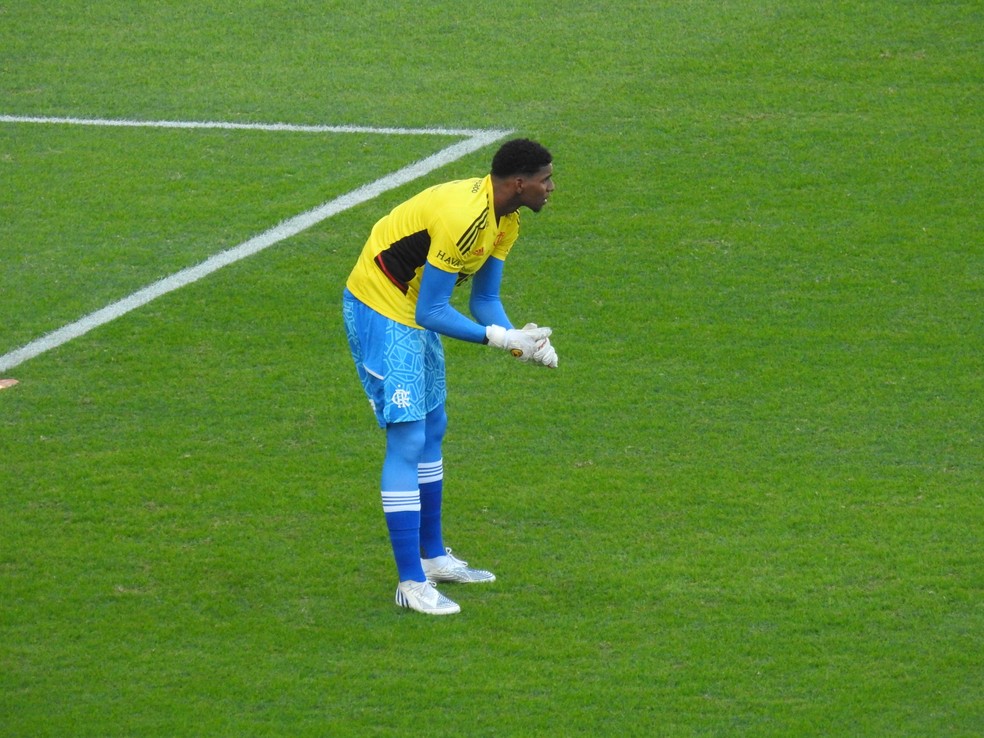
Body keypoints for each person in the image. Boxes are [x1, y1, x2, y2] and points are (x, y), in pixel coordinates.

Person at [342, 138, 558, 615]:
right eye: (545, 180)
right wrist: (496, 340)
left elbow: (483, 303)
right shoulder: (466, 218)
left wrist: (524, 342)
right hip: (381, 308)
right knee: (407, 438)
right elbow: (434, 309)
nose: (551, 188)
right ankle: (410, 582)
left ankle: (433, 557)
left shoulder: (506, 220)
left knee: (433, 428)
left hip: (412, 311)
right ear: (519, 183)